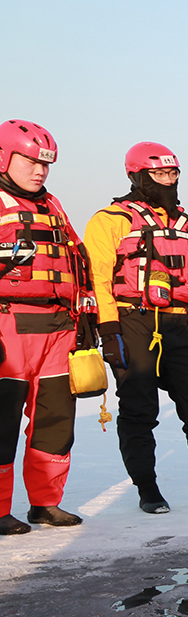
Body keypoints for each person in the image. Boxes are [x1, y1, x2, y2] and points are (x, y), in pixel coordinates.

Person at [83, 142, 188, 514]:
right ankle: (148, 490)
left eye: (173, 174)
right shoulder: (110, 220)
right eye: (159, 174)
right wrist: (108, 332)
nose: (168, 181)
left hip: (179, 324)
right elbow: (98, 279)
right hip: (132, 321)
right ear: (137, 176)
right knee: (140, 410)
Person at [0, 119, 95, 534]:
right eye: (31, 161)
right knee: (1, 420)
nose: (39, 171)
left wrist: (88, 317)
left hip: (60, 326)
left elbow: (78, 261)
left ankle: (45, 504)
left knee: (57, 419)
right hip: (9, 325)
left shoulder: (53, 206)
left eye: (45, 164)